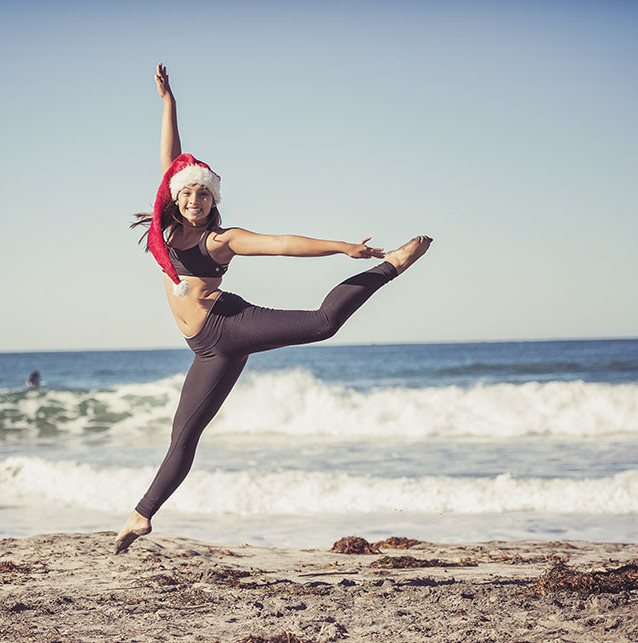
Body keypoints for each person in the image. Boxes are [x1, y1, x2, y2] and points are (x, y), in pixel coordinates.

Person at [115, 63, 432, 554]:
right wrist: (168, 102)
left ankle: (391, 266)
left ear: (212, 199)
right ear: (177, 198)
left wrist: (342, 247)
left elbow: (283, 243)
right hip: (206, 350)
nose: (196, 198)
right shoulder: (166, 228)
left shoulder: (222, 239)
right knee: (183, 437)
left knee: (324, 323)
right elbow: (172, 156)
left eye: (204, 192)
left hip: (228, 325)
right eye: (188, 192)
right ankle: (141, 517)